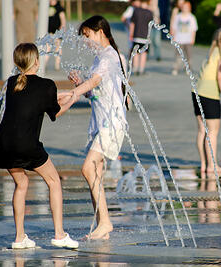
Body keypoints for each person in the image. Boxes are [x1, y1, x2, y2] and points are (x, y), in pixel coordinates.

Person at [0, 43, 78, 249]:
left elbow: (31, 99)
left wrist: (57, 96)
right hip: (26, 143)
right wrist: (73, 98)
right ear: (37, 61)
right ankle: (59, 235)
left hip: (5, 142)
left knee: (21, 185)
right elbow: (54, 112)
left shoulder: (12, 82)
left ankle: (20, 237)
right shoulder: (47, 85)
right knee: (54, 181)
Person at [68, 16, 128, 240]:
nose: (85, 40)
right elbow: (95, 92)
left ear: (100, 31)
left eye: (87, 35)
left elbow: (94, 82)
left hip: (111, 123)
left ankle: (105, 222)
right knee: (96, 173)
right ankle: (101, 225)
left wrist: (75, 93)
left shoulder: (110, 55)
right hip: (100, 122)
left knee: (87, 168)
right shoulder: (99, 58)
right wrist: (79, 86)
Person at [193, 28, 221, 175]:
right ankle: (213, 165)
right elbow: (220, 77)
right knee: (213, 131)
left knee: (201, 131)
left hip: (197, 92)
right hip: (210, 95)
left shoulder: (212, 51)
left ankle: (204, 164)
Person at [171, 1, 198, 75]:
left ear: (189, 8)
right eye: (184, 7)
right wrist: (173, 37)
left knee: (188, 56)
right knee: (178, 55)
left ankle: (188, 68)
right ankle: (176, 68)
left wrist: (193, 38)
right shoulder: (178, 17)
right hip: (179, 39)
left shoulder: (191, 17)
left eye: (187, 7)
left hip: (188, 40)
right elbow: (174, 27)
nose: (185, 9)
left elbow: (193, 29)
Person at [130, 0, 153, 75]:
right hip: (145, 37)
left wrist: (131, 34)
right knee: (144, 53)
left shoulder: (136, 11)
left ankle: (135, 68)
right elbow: (151, 26)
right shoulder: (149, 12)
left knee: (136, 53)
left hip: (137, 35)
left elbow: (132, 23)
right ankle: (141, 69)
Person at [45, 0, 66, 70]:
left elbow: (63, 19)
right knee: (47, 48)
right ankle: (44, 63)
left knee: (58, 48)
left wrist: (62, 28)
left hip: (57, 32)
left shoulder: (59, 8)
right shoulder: (46, 7)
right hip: (49, 32)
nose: (51, 1)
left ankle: (57, 65)